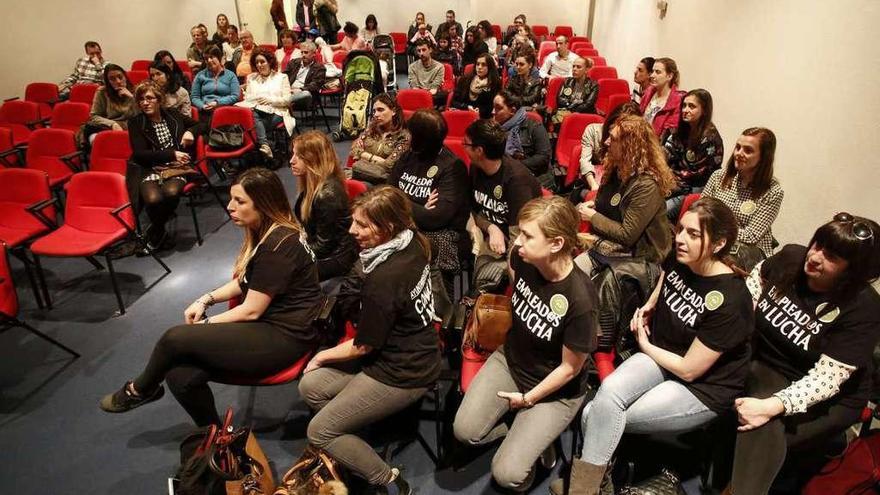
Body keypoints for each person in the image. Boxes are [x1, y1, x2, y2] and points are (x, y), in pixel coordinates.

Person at [100, 168, 324, 426]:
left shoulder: (277, 246)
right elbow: (246, 282)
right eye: (231, 199)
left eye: (240, 202)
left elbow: (251, 311)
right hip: (271, 326)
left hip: (287, 338)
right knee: (179, 375)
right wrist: (205, 299)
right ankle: (214, 435)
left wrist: (205, 326)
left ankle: (139, 390)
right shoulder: (271, 232)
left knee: (175, 339)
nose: (230, 207)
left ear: (263, 204)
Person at [560, 197, 754, 495]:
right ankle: (595, 485)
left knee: (595, 414)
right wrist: (651, 304)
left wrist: (644, 343)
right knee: (607, 398)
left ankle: (585, 488)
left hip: (702, 386)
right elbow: (666, 278)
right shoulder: (681, 257)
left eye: (693, 234)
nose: (680, 240)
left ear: (717, 244)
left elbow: (690, 370)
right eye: (681, 230)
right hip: (664, 353)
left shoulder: (731, 299)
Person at [298, 186, 440, 495]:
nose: (352, 230)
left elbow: (364, 345)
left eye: (362, 225)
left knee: (319, 432)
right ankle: (354, 442)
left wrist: (321, 357)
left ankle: (388, 480)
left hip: (403, 374)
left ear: (387, 227)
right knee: (310, 387)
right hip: (403, 353)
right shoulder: (412, 241)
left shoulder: (384, 280)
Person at [455, 195, 599, 492]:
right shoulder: (522, 259)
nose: (518, 242)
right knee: (465, 432)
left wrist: (530, 398)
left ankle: (533, 443)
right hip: (510, 359)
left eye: (528, 235)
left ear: (556, 244)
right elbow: (515, 278)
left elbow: (570, 369)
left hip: (555, 388)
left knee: (507, 474)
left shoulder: (581, 300)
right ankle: (526, 434)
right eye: (519, 232)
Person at [729, 214, 880, 495]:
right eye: (818, 244)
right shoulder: (791, 258)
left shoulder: (863, 307)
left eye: (831, 256)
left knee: (763, 425)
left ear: (853, 270)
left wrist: (771, 406)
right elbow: (755, 283)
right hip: (767, 365)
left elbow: (827, 379)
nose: (815, 256)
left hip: (824, 394)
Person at [575, 115, 676, 274]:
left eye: (613, 139)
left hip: (639, 258)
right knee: (571, 272)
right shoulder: (616, 169)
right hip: (608, 247)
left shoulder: (647, 184)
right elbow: (610, 202)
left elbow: (627, 234)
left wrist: (592, 216)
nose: (607, 142)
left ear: (630, 145)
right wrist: (595, 204)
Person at [389, 109, 470, 295]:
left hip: (440, 236)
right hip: (407, 227)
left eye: (411, 134)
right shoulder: (408, 156)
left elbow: (435, 218)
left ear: (421, 139)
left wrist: (401, 201)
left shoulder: (452, 166)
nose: (407, 137)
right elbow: (388, 192)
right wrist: (419, 207)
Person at [125, 81, 199, 250]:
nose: (145, 102)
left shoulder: (173, 115)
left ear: (159, 100)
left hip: (176, 166)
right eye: (141, 99)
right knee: (153, 199)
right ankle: (159, 232)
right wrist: (171, 153)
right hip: (150, 167)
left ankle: (153, 233)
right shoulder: (136, 123)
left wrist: (190, 132)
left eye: (150, 98)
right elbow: (140, 154)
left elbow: (202, 125)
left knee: (171, 192)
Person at [465, 119, 541, 283]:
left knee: (485, 275)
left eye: (466, 144)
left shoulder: (517, 181)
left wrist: (516, 285)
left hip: (522, 242)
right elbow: (471, 208)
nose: (463, 147)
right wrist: (492, 228)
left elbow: (519, 237)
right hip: (493, 235)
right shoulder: (476, 167)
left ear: (479, 151)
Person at [701, 127, 784, 269]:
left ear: (764, 157)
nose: (739, 153)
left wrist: (716, 231)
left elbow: (751, 236)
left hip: (749, 248)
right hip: (714, 235)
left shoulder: (773, 191)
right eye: (738, 147)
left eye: (748, 150)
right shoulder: (718, 176)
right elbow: (700, 209)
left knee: (723, 255)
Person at [289, 130, 358, 282]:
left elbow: (324, 246)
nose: (292, 161)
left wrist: (294, 253)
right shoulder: (312, 184)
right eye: (293, 154)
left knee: (282, 273)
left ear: (315, 160)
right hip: (322, 248)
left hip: (336, 258)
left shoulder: (327, 195)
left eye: (299, 156)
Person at [663, 89, 724, 221]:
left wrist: (671, 180)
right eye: (684, 105)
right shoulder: (681, 130)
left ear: (704, 110)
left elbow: (697, 175)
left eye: (692, 106)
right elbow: (666, 152)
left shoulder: (710, 138)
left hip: (694, 190)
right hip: (674, 182)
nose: (685, 110)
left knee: (658, 212)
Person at [238, 48, 295, 158]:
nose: (259, 65)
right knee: (252, 115)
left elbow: (288, 100)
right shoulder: (251, 78)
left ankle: (259, 148)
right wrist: (255, 101)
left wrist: (271, 100)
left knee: (249, 129)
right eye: (257, 62)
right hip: (256, 111)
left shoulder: (282, 77)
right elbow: (248, 98)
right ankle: (265, 145)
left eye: (262, 62)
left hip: (277, 111)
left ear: (270, 62)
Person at [576, 102, 642, 193]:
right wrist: (594, 185)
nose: (608, 142)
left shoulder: (636, 144)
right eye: (612, 127)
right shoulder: (593, 131)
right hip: (596, 181)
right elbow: (585, 161)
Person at [348, 93, 410, 185]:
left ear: (393, 111)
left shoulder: (403, 136)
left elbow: (389, 165)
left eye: (381, 110)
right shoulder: (371, 129)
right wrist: (376, 159)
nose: (376, 114)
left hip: (383, 182)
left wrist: (362, 155)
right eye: (374, 111)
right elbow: (354, 149)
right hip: (361, 173)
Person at [493, 91, 552, 181]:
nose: (493, 112)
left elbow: (543, 157)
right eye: (493, 107)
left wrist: (515, 165)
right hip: (506, 174)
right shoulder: (494, 128)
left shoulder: (534, 127)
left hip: (535, 175)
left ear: (512, 111)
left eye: (498, 108)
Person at [80, 64, 137, 146]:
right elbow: (94, 116)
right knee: (96, 140)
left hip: (130, 128)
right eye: (112, 79)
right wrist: (112, 124)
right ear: (108, 81)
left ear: (125, 77)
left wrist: (132, 98)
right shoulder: (102, 92)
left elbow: (142, 115)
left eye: (120, 77)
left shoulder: (136, 91)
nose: (118, 81)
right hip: (107, 126)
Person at [191, 46, 240, 125]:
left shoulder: (230, 75)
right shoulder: (200, 75)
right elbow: (194, 97)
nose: (209, 60)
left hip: (224, 110)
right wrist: (202, 106)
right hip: (205, 111)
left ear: (219, 58)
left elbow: (235, 96)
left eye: (211, 57)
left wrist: (217, 103)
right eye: (206, 58)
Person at [639, 56, 682, 137]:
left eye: (658, 72)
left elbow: (668, 133)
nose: (652, 75)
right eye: (652, 71)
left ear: (669, 76)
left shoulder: (676, 101)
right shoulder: (648, 93)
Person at [450, 54, 501, 119]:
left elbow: (491, 108)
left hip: (482, 119)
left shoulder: (494, 83)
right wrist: (467, 107)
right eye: (478, 64)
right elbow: (454, 102)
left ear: (490, 67)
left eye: (483, 65)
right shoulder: (464, 80)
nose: (479, 67)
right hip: (463, 114)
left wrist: (479, 111)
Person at [550, 57, 598, 126]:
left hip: (583, 116)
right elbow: (560, 100)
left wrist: (572, 110)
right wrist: (573, 105)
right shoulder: (567, 81)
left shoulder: (593, 85)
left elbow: (587, 105)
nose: (574, 69)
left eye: (578, 67)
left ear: (586, 70)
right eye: (573, 66)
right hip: (565, 113)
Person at [284, 41, 327, 111]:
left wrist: (300, 89)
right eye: (302, 52)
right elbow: (284, 76)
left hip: (305, 94)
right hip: (289, 91)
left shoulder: (320, 68)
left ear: (313, 54)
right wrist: (286, 89)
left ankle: (283, 101)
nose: (303, 55)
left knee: (306, 94)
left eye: (306, 52)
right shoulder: (293, 63)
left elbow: (315, 84)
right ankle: (285, 101)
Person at [408, 39, 446, 107]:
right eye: (419, 51)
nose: (421, 53)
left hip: (432, 96)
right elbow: (414, 87)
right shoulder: (412, 67)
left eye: (424, 50)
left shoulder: (439, 67)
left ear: (430, 50)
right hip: (418, 95)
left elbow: (434, 88)